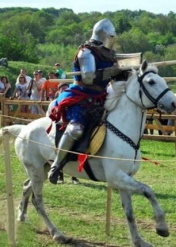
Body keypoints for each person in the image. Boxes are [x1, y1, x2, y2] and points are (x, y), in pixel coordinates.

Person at [48, 18, 122, 184]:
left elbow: (117, 73)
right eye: (111, 36)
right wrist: (112, 70)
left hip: (101, 97)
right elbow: (88, 78)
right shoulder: (86, 52)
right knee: (76, 129)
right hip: (81, 96)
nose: (112, 39)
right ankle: (57, 164)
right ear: (104, 35)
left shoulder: (109, 54)